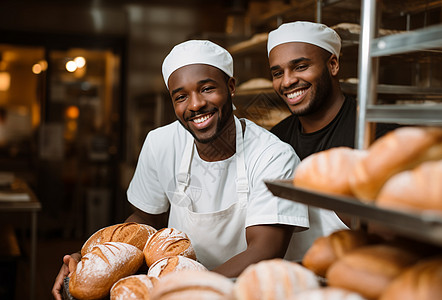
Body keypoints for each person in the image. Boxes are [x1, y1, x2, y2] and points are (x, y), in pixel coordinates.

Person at [52, 40, 346, 299]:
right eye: (181, 96)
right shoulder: (160, 143)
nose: (195, 104)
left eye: (207, 88)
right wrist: (89, 260)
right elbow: (144, 219)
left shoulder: (273, 155)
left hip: (245, 291)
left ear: (231, 87)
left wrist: (187, 290)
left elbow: (264, 250)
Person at [268, 21, 398, 160]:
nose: (287, 82)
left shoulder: (376, 134)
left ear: (333, 65)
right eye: (278, 74)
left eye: (301, 67)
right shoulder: (275, 139)